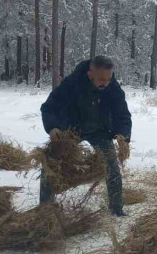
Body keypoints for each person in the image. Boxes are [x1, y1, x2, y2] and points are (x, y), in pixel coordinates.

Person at [40, 55, 132, 216]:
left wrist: (124, 137)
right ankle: (45, 209)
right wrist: (53, 127)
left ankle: (116, 209)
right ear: (90, 74)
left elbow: (122, 114)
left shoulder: (113, 87)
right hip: (71, 130)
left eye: (108, 79)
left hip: (100, 131)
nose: (105, 82)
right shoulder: (71, 84)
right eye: (101, 79)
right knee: (50, 164)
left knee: (112, 168)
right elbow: (49, 107)